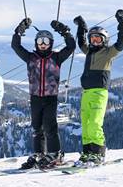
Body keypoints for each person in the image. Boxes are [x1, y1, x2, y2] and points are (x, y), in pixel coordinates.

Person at [11, 18, 76, 169]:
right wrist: (19, 30)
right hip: (35, 98)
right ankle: (40, 153)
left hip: (50, 98)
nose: (43, 44)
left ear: (51, 43)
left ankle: (55, 153)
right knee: (36, 127)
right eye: (40, 41)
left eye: (46, 41)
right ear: (35, 42)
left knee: (49, 126)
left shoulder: (56, 58)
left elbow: (71, 46)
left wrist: (64, 31)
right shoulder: (30, 58)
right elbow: (16, 46)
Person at [74, 9, 123, 164]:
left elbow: (121, 43)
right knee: (86, 123)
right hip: (86, 93)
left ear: (104, 40)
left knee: (95, 123)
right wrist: (81, 26)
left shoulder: (108, 52)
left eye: (98, 39)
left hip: (99, 93)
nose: (94, 42)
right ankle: (87, 152)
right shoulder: (89, 52)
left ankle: (98, 153)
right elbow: (81, 42)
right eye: (92, 39)